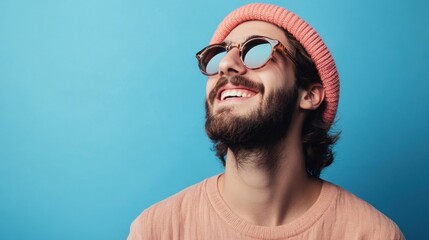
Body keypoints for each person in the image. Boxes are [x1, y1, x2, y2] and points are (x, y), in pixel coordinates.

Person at [128, 3, 404, 239]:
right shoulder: (157, 230)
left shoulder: (372, 233)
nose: (226, 64)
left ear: (308, 95)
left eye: (257, 49)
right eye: (220, 54)